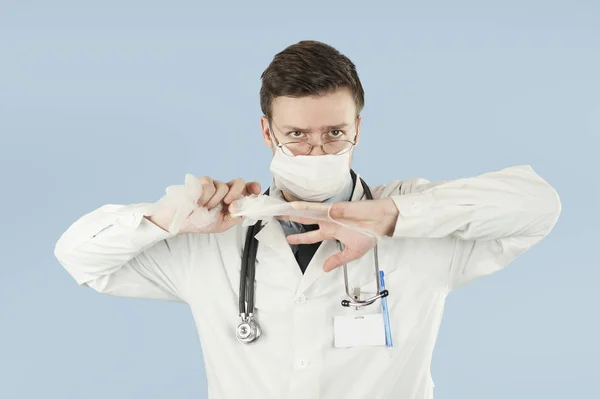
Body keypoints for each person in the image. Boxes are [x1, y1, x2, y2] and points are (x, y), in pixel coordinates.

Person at [54, 40, 562, 399]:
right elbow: (80, 258)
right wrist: (168, 218)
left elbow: (537, 206)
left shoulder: (422, 224)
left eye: (334, 133)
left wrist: (391, 218)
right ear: (266, 132)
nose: (316, 148)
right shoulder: (211, 236)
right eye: (296, 134)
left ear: (358, 128)